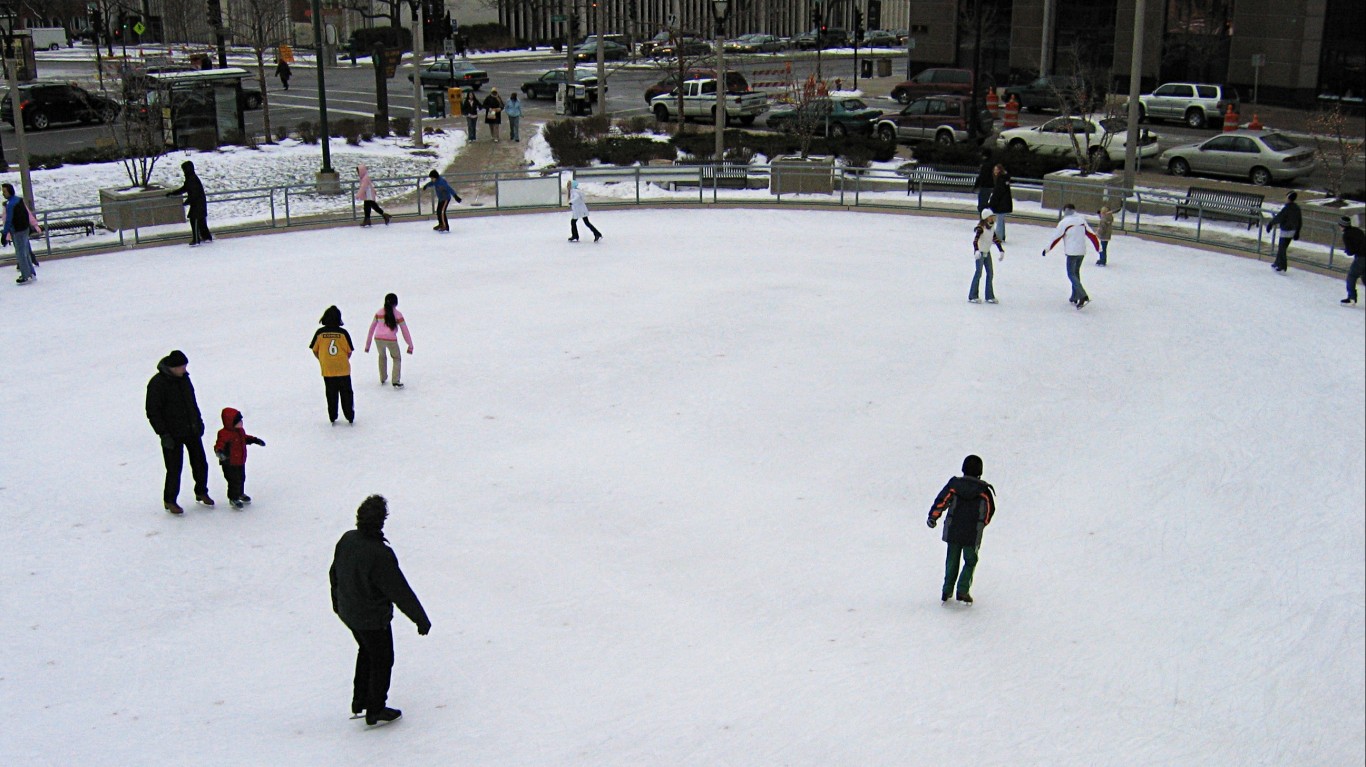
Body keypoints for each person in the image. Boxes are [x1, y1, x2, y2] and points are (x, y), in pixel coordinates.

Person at [330, 494, 430, 726]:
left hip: (349, 612)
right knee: (382, 659)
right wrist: (420, 619)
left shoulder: (347, 540)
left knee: (366, 651)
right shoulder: (379, 554)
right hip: (371, 619)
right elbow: (399, 590)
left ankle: (360, 700)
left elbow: (334, 574)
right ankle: (375, 708)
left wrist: (338, 603)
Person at [145, 350, 214, 514]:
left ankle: (201, 491)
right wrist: (163, 433)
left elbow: (192, 402)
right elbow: (152, 411)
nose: (184, 369)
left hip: (191, 429)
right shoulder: (157, 383)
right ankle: (170, 500)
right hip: (172, 434)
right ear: (172, 367)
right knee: (174, 469)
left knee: (200, 463)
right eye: (182, 367)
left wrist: (198, 422)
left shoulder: (184, 379)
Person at [927, 455, 996, 604]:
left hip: (954, 529)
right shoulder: (983, 490)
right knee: (970, 560)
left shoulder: (955, 485)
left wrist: (933, 516)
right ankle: (963, 589)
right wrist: (981, 524)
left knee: (952, 560)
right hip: (972, 532)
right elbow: (989, 511)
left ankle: (947, 589)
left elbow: (942, 500)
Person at [1043, 203, 1101, 310]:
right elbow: (1092, 235)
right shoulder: (1081, 220)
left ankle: (1082, 295)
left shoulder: (1064, 222)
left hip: (1071, 252)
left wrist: (1047, 249)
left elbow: (1056, 237)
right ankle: (1074, 296)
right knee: (1076, 273)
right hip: (1081, 252)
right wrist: (1099, 248)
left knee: (1071, 274)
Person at [310, 305, 356, 425]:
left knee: (331, 393)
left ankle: (332, 415)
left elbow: (314, 349)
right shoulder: (343, 333)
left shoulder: (320, 333)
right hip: (343, 369)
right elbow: (349, 351)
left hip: (328, 369)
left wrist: (322, 360)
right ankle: (349, 415)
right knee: (346, 393)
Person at [213, 408, 265, 509]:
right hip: (229, 463)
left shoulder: (240, 431)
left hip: (240, 461)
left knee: (241, 478)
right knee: (233, 480)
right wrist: (219, 452)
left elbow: (245, 438)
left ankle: (240, 493)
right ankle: (233, 497)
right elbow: (219, 444)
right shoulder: (224, 434)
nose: (241, 423)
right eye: (238, 421)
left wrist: (255, 440)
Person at [365, 293, 414, 388]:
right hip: (391, 339)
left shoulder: (379, 313)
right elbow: (405, 330)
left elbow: (371, 328)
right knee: (396, 358)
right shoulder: (398, 314)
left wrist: (368, 345)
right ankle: (395, 381)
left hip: (378, 339)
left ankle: (383, 378)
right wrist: (410, 345)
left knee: (382, 356)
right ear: (396, 303)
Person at [165, 160, 212, 246]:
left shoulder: (191, 179)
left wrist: (186, 202)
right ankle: (207, 237)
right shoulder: (191, 178)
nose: (183, 171)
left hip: (197, 204)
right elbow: (184, 189)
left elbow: (194, 193)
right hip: (199, 203)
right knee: (201, 221)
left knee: (195, 220)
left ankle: (196, 240)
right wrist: (173, 193)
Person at [2, 183, 38, 284]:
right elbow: (27, 214)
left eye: (4, 191)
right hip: (24, 229)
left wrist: (4, 234)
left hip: (18, 231)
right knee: (25, 251)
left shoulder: (11, 204)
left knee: (21, 253)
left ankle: (26, 276)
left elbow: (8, 220)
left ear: (10, 191)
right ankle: (31, 272)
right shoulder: (18, 200)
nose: (3, 194)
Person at [969, 209, 1005, 304]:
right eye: (990, 216)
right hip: (980, 253)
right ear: (986, 218)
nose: (992, 218)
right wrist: (976, 250)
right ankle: (973, 295)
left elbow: (995, 239)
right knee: (978, 273)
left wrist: (1001, 250)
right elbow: (975, 240)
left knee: (990, 273)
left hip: (987, 252)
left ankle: (989, 295)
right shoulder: (981, 228)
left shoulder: (991, 227)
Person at [1266, 191, 1301, 273]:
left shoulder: (1287, 208)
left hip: (1286, 231)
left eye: (1286, 197)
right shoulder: (1297, 208)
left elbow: (1279, 217)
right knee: (1282, 248)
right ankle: (1277, 263)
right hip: (1293, 231)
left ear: (1289, 199)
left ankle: (1282, 266)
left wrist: (1271, 224)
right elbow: (1299, 221)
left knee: (1282, 249)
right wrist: (1297, 231)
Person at [1341, 216, 1365, 306]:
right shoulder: (1358, 231)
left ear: (1342, 226)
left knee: (1351, 276)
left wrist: (1346, 250)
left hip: (1361, 258)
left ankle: (1352, 298)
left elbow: (1350, 251)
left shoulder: (1346, 235)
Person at [987, 163, 1013, 241]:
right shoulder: (1005, 178)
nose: (995, 171)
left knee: (999, 220)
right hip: (1005, 202)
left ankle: (998, 237)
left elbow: (997, 193)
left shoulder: (1000, 179)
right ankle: (1002, 236)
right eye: (994, 169)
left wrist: (991, 203)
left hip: (1001, 203)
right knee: (1001, 220)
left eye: (996, 170)